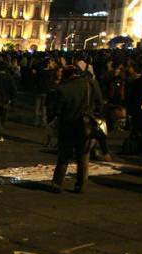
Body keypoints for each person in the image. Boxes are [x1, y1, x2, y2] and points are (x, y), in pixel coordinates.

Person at [51, 65, 103, 193]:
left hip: (67, 125)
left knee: (64, 156)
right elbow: (99, 104)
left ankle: (58, 183)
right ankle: (81, 185)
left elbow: (57, 110)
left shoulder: (63, 89)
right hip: (86, 126)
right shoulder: (92, 84)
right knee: (84, 156)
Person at [34, 57, 56, 127]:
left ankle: (36, 122)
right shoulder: (50, 72)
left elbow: (36, 79)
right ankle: (43, 122)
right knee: (44, 107)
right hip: (46, 91)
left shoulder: (40, 70)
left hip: (39, 90)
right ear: (48, 64)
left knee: (37, 107)